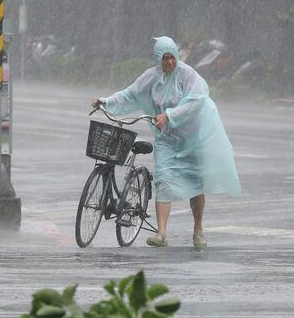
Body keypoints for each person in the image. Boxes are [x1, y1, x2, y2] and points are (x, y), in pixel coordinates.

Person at [92, 36, 241, 248]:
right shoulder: (151, 77)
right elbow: (130, 93)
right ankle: (162, 234)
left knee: (195, 185)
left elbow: (196, 100)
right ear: (158, 59)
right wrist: (106, 101)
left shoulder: (188, 75)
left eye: (172, 58)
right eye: (165, 58)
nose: (169, 62)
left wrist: (170, 115)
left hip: (192, 139)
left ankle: (198, 229)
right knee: (163, 179)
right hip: (166, 139)